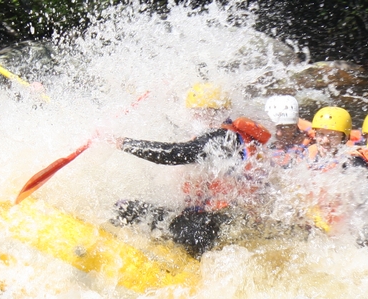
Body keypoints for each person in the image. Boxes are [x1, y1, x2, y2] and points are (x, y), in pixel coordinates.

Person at [109, 82, 271, 257]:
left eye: (195, 114)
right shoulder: (228, 136)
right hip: (219, 220)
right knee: (128, 208)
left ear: (208, 113)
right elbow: (181, 139)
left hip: (214, 226)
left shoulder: (219, 140)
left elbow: (175, 153)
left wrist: (123, 143)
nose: (192, 119)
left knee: (127, 211)